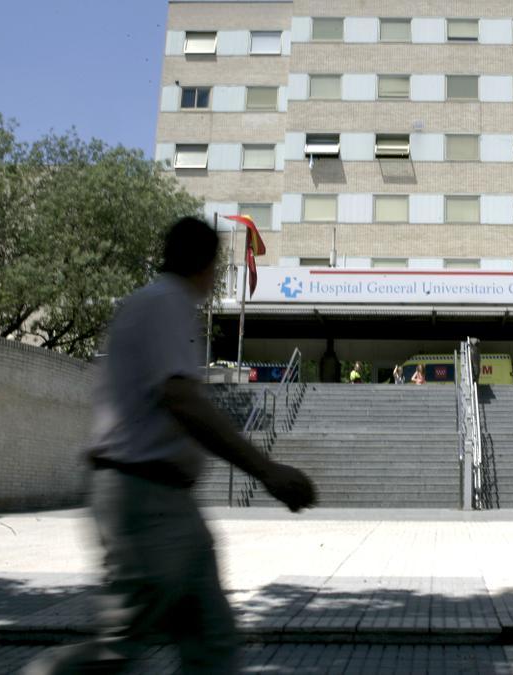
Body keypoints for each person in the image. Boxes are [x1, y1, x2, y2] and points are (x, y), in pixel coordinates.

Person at [23, 217, 317, 675]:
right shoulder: (166, 303)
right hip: (142, 493)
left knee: (212, 638)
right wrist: (267, 470)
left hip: (169, 498)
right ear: (207, 265)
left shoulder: (159, 304)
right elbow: (182, 399)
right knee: (120, 644)